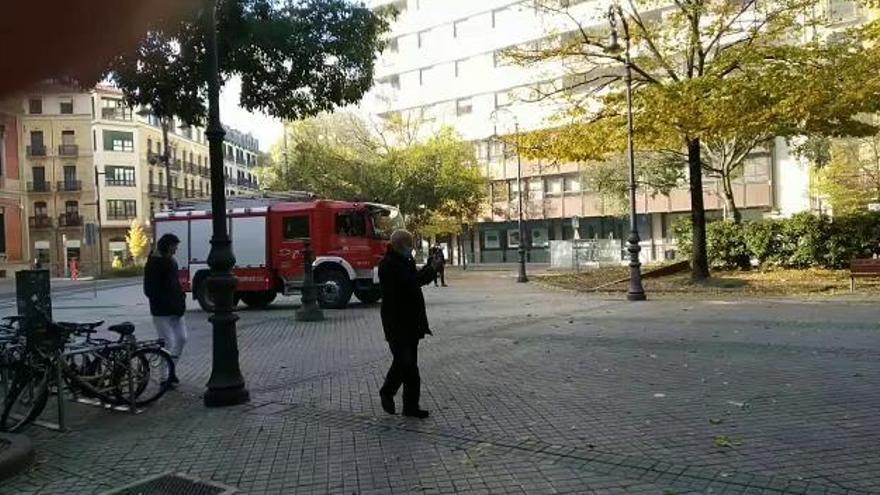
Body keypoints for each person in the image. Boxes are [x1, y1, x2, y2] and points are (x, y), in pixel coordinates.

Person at [378, 229, 439, 419]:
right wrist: (431, 269)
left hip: (411, 322)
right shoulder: (388, 264)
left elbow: (415, 281)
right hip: (397, 323)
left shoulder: (405, 261)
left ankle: (409, 406)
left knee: (406, 364)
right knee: (407, 364)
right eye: (409, 244)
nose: (411, 248)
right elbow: (410, 283)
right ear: (400, 245)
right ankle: (389, 393)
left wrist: (430, 267)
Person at [143, 233, 187, 385]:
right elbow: (149, 290)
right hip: (161, 311)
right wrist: (169, 299)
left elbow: (174, 283)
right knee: (167, 342)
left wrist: (180, 297)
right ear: (168, 246)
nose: (176, 249)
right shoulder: (154, 263)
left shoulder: (171, 261)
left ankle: (171, 369)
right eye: (175, 246)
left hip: (176, 309)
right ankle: (164, 377)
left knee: (182, 338)